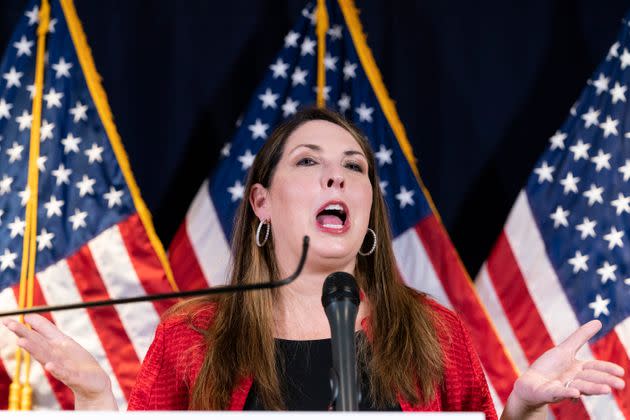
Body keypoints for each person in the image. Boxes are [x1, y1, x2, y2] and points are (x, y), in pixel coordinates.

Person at [2, 108, 625, 416]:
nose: (338, 174)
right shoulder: (191, 338)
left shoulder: (434, 333)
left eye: (354, 167)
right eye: (308, 161)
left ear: (368, 207)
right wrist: (93, 397)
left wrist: (520, 408)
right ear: (262, 203)